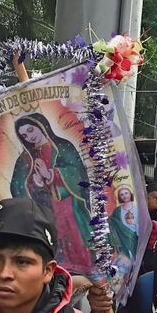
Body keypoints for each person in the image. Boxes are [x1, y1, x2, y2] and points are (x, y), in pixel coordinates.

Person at [10, 113, 93, 274]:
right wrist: (34, 183)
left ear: (42, 126)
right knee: (52, 243)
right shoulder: (25, 159)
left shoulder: (63, 147)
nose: (29, 137)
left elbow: (78, 174)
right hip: (45, 210)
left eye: (31, 130)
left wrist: (52, 175)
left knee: (74, 239)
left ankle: (80, 271)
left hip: (68, 206)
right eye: (24, 135)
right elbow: (17, 186)